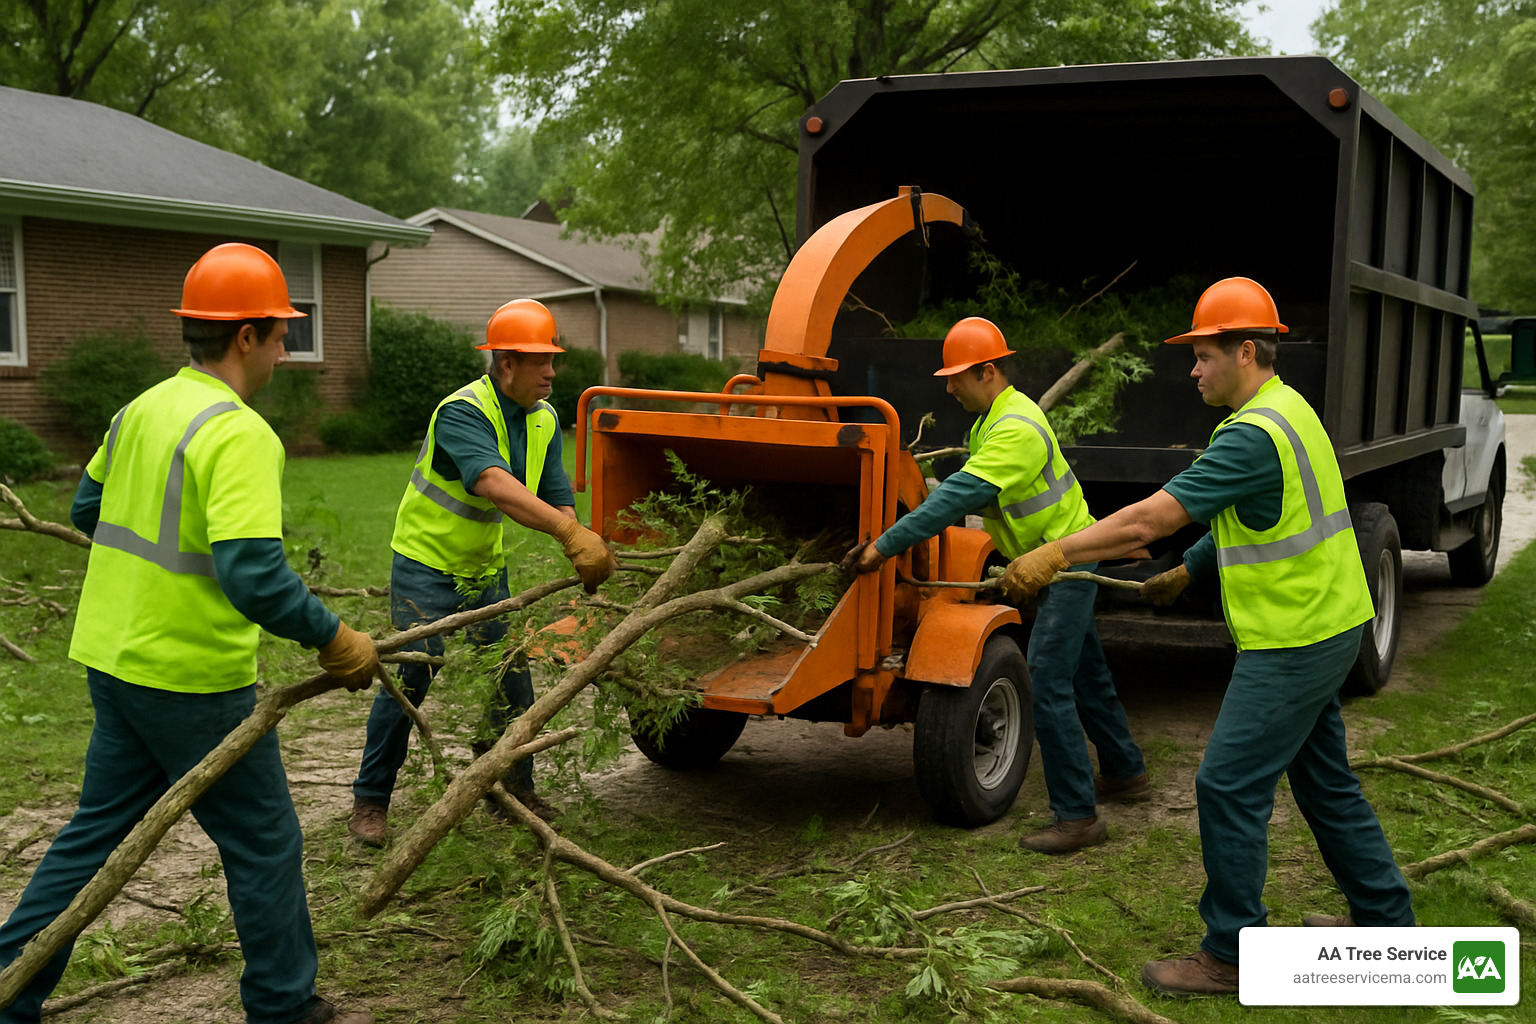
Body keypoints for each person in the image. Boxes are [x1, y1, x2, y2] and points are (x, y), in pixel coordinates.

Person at [999, 277, 1416, 995]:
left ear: (1245, 352)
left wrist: (1057, 553)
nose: (1192, 369)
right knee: (1325, 783)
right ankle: (1386, 927)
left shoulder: (1252, 434)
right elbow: (1257, 512)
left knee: (1225, 782)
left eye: (1203, 355)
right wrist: (1192, 571)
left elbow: (1146, 522)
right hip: (1333, 623)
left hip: (1295, 640)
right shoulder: (1288, 410)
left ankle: (1228, 954)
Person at [0, 243, 379, 1024]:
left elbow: (85, 512)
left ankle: (10, 986)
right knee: (264, 843)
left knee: (91, 835)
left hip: (114, 656)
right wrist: (335, 636)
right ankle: (283, 1006)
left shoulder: (141, 409)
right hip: (191, 679)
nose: (285, 346)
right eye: (280, 332)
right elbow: (254, 577)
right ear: (244, 337)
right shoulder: (239, 433)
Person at [845, 317, 1148, 854]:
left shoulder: (1014, 429)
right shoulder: (992, 419)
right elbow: (980, 491)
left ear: (987, 372)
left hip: (1066, 564)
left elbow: (959, 499)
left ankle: (1078, 817)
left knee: (1049, 684)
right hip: (1059, 557)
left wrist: (881, 546)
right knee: (1088, 676)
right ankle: (1126, 771)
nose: (947, 386)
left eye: (955, 376)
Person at [347, 298, 614, 847]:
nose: (552, 371)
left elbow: (553, 488)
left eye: (552, 359)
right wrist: (568, 536)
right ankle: (370, 801)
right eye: (540, 361)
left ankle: (510, 785)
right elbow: (493, 484)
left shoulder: (543, 416)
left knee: (512, 673)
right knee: (411, 678)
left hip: (482, 566)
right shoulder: (462, 411)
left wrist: (579, 539)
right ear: (506, 364)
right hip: (425, 562)